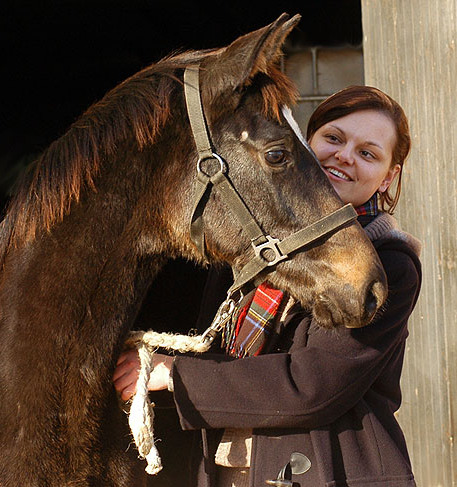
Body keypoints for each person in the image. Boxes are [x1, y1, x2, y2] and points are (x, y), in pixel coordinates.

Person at [113, 85, 422, 487]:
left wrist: (174, 375)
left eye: (368, 153)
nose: (344, 156)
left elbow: (313, 386)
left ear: (388, 177)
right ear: (305, 144)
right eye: (333, 138)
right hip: (226, 473)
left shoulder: (387, 266)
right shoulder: (256, 243)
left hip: (330, 476)